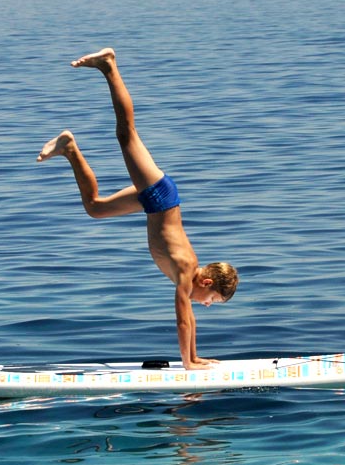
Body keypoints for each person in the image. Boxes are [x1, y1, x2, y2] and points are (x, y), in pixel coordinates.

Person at [37, 48, 238, 369]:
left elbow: (190, 318)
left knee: (95, 208)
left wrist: (196, 357)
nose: (209, 306)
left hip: (155, 202)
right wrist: (188, 365)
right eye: (213, 301)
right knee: (126, 134)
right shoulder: (187, 272)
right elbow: (182, 322)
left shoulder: (189, 280)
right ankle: (109, 66)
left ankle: (69, 148)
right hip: (159, 195)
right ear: (207, 283)